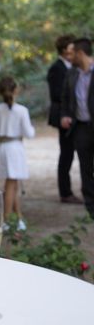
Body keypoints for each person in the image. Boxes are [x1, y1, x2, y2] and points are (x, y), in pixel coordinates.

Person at [0, 77, 35, 231]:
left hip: (2, 147)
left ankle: (19, 218)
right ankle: (6, 220)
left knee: (13, 184)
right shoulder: (22, 110)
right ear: (16, 90)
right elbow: (29, 133)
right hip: (15, 147)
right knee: (11, 184)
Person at [60, 37, 94, 219]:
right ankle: (91, 210)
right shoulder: (72, 74)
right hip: (80, 128)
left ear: (80, 53)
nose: (68, 56)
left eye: (71, 53)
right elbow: (65, 98)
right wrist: (65, 114)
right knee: (85, 168)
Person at [47, 34, 81, 203]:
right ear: (63, 50)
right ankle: (65, 192)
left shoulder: (73, 67)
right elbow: (57, 94)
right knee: (66, 153)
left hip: (74, 115)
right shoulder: (57, 68)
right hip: (64, 115)